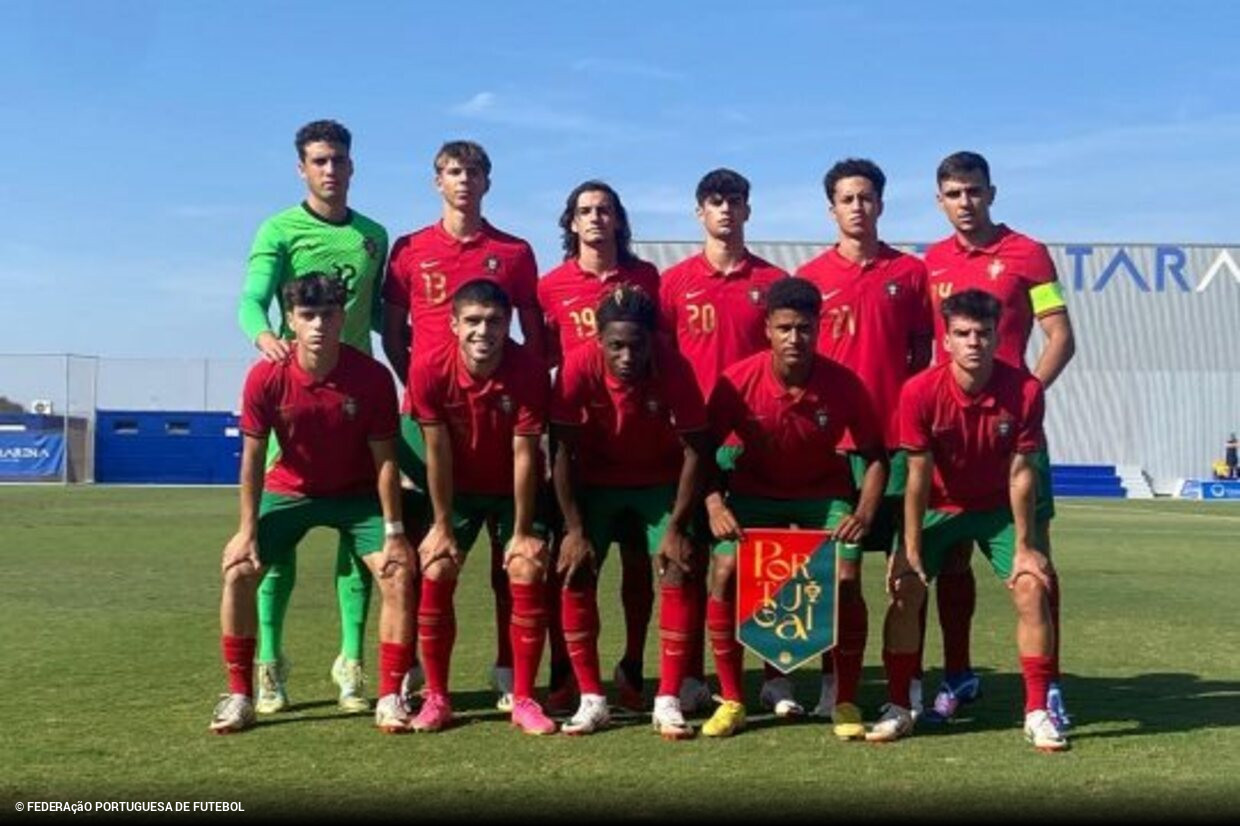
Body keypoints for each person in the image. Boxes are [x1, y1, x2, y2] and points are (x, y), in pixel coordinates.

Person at [382, 140, 546, 711]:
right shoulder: (409, 249)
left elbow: (535, 331)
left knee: (515, 564)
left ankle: (510, 673)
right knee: (424, 552)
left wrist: (516, 384)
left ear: (488, 181)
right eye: (454, 172)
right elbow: (393, 332)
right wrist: (430, 383)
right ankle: (405, 675)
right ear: (437, 181)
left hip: (502, 413)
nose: (464, 181)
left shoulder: (515, 252)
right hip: (429, 418)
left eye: (474, 172)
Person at [211, 274, 414, 735]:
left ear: (343, 318)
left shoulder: (372, 377)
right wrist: (245, 531)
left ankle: (389, 696)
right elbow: (253, 458)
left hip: (357, 496)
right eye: (308, 315)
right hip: (290, 492)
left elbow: (386, 459)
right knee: (239, 570)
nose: (318, 324)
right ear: (290, 320)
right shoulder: (266, 376)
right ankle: (240, 694)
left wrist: (394, 533)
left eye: (328, 314)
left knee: (398, 573)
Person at [868, 289, 1067, 752]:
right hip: (939, 505)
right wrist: (910, 550)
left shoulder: (1026, 390)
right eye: (962, 333)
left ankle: (1038, 710)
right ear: (947, 339)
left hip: (996, 508)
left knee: (1031, 585)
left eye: (983, 333)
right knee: (906, 590)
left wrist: (1023, 545)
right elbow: (916, 477)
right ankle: (900, 705)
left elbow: (1021, 475)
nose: (973, 342)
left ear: (998, 336)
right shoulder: (918, 390)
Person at [237, 119, 390, 715]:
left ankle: (351, 662)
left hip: (356, 405)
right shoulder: (279, 229)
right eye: (319, 161)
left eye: (339, 160)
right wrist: (262, 337)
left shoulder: (373, 235)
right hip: (295, 404)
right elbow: (252, 298)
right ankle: (269, 664)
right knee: (277, 546)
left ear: (353, 167)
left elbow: (384, 317)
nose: (331, 170)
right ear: (302, 168)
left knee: (362, 541)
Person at [923, 151, 1076, 730]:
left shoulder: (1027, 254)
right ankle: (958, 673)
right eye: (954, 194)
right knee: (952, 556)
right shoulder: (931, 262)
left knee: (1034, 558)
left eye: (975, 192)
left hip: (1014, 435)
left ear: (992, 193)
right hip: (950, 438)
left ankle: (1050, 687)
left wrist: (1026, 394)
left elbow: (1060, 335)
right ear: (940, 200)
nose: (966, 203)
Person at [702, 277, 887, 737]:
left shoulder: (844, 385)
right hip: (753, 494)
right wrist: (712, 503)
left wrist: (863, 513)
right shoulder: (737, 381)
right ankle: (732, 701)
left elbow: (876, 456)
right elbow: (701, 450)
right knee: (724, 572)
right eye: (784, 328)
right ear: (767, 328)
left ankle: (842, 700)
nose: (794, 338)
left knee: (844, 579)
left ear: (818, 329)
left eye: (804, 328)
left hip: (823, 495)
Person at [796, 158, 933, 733]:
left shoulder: (912, 273)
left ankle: (911, 680)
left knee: (904, 571)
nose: (857, 206)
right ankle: (836, 682)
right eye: (846, 198)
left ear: (881, 204)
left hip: (897, 446)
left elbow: (922, 353)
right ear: (831, 208)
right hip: (834, 450)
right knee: (837, 575)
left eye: (866, 197)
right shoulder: (810, 277)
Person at [550, 285, 712, 738]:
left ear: (652, 340)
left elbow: (696, 450)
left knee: (678, 567)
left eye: (636, 345)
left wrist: (677, 526)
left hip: (658, 484)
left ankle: (667, 698)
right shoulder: (579, 365)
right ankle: (591, 699)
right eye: (615, 345)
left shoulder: (673, 366)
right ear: (598, 340)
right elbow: (559, 448)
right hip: (598, 484)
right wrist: (574, 529)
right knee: (575, 569)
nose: (626, 355)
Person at [659, 168, 790, 716]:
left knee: (763, 561)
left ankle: (774, 675)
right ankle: (689, 677)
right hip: (692, 442)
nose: (726, 210)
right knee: (686, 558)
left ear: (748, 210)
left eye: (735, 201)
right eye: (716, 202)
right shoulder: (674, 283)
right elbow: (661, 362)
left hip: (753, 440)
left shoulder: (774, 281)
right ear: (699, 213)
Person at [407, 280, 554, 735]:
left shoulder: (528, 370)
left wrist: (523, 530)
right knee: (436, 566)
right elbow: (437, 451)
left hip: (514, 491)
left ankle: (524, 699)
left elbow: (525, 454)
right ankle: (437, 698)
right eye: (472, 321)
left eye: (493, 321)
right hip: (460, 489)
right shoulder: (429, 368)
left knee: (525, 567)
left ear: (508, 324)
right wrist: (442, 524)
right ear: (453, 324)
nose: (482, 330)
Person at [538, 181, 663, 713]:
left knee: (639, 566)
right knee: (569, 563)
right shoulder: (550, 286)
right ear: (571, 222)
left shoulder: (645, 279)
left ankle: (632, 667)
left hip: (637, 446)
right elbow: (544, 360)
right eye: (585, 211)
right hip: (576, 449)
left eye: (604, 210)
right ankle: (567, 671)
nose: (595, 219)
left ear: (618, 220)